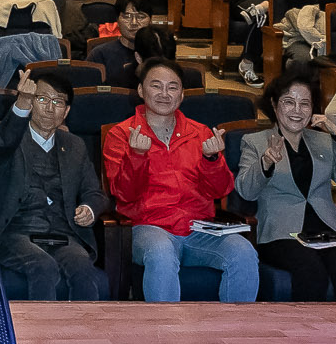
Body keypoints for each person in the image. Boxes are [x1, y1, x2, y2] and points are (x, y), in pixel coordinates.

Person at [104, 59, 254, 301]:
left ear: (182, 95)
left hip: (198, 229)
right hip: (149, 228)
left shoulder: (201, 133)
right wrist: (137, 156)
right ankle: (166, 334)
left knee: (242, 251)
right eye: (156, 86)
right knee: (161, 251)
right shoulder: (122, 134)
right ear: (141, 91)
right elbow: (124, 194)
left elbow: (221, 190)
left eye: (172, 87)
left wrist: (212, 160)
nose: (165, 94)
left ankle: (234, 333)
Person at [235, 74, 336, 301]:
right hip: (280, 233)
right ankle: (306, 335)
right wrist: (266, 163)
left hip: (326, 230)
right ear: (274, 104)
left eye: (304, 103)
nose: (296, 110)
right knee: (311, 272)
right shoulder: (255, 142)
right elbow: (246, 190)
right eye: (289, 102)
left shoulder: (323, 140)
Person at [0, 73, 109, 299]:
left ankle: (84, 332)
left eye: (58, 102)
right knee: (43, 267)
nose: (50, 108)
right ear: (30, 103)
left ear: (66, 111)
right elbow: (2, 141)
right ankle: (41, 333)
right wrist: (21, 101)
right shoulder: (8, 139)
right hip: (17, 232)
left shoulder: (75, 145)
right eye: (42, 99)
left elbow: (94, 192)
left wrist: (90, 209)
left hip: (63, 232)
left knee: (83, 270)